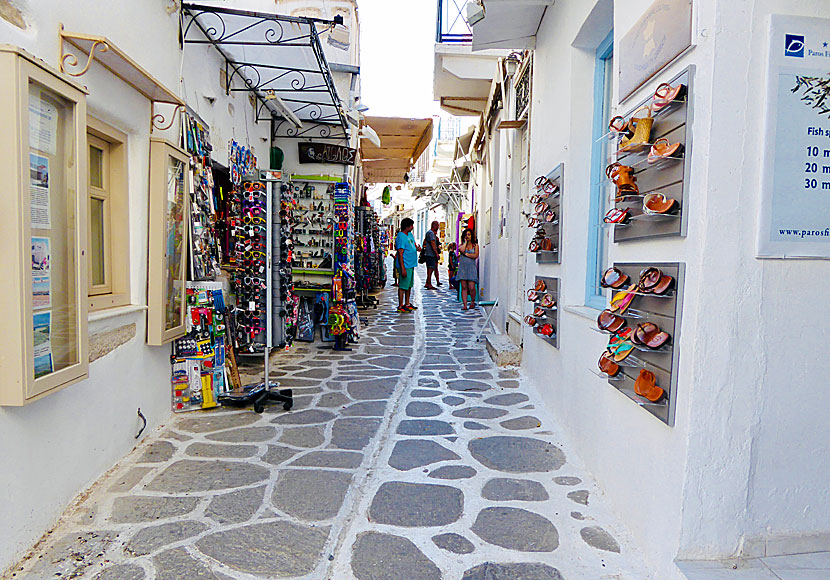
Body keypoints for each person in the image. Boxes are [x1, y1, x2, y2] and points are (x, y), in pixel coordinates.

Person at [395, 217, 420, 312]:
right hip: (405, 264)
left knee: (409, 285)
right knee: (403, 286)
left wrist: (417, 249)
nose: (412, 227)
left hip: (411, 264)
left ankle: (407, 303)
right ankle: (401, 305)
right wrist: (402, 268)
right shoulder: (401, 237)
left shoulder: (410, 235)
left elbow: (413, 245)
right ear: (407, 226)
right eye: (411, 225)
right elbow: (400, 253)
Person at [457, 228, 479, 310]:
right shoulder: (461, 245)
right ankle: (465, 305)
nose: (467, 236)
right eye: (466, 235)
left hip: (471, 268)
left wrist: (466, 254)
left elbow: (475, 255)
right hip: (463, 268)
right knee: (464, 287)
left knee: (472, 287)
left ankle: (472, 301)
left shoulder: (475, 246)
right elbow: (461, 250)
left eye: (469, 235)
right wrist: (465, 243)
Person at [423, 220, 441, 290]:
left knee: (430, 269)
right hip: (430, 254)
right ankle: (429, 284)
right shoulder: (431, 233)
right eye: (437, 225)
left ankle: (427, 283)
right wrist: (436, 253)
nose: (438, 227)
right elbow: (433, 244)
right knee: (430, 269)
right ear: (434, 225)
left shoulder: (428, 233)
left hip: (428, 253)